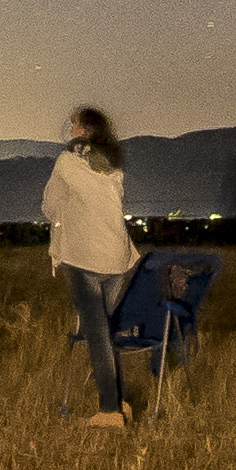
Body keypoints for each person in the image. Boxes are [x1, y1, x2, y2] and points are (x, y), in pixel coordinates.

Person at [44, 108, 140, 428]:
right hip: (116, 256)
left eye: (73, 124)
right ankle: (120, 402)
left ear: (83, 131)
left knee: (97, 335)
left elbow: (49, 205)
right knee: (106, 333)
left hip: (85, 257)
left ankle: (109, 411)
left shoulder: (67, 163)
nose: (68, 128)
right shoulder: (112, 168)